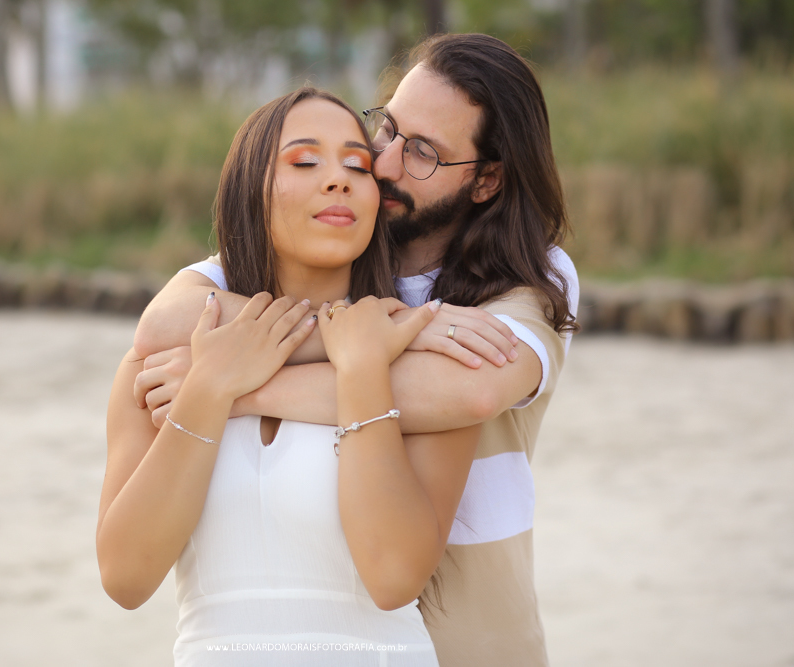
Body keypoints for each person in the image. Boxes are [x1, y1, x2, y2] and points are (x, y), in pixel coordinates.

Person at [132, 34, 580, 667]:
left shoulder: (531, 279)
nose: (386, 163)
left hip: (472, 647)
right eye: (389, 129)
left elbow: (467, 390)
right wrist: (397, 329)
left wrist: (236, 384)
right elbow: (169, 321)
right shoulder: (336, 240)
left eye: (422, 152)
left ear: (486, 181)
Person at [99, 86, 483, 666]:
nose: (339, 179)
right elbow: (126, 578)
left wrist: (360, 369)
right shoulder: (168, 367)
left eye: (358, 166)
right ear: (249, 191)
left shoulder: (422, 370)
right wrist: (209, 389)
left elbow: (393, 577)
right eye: (305, 161)